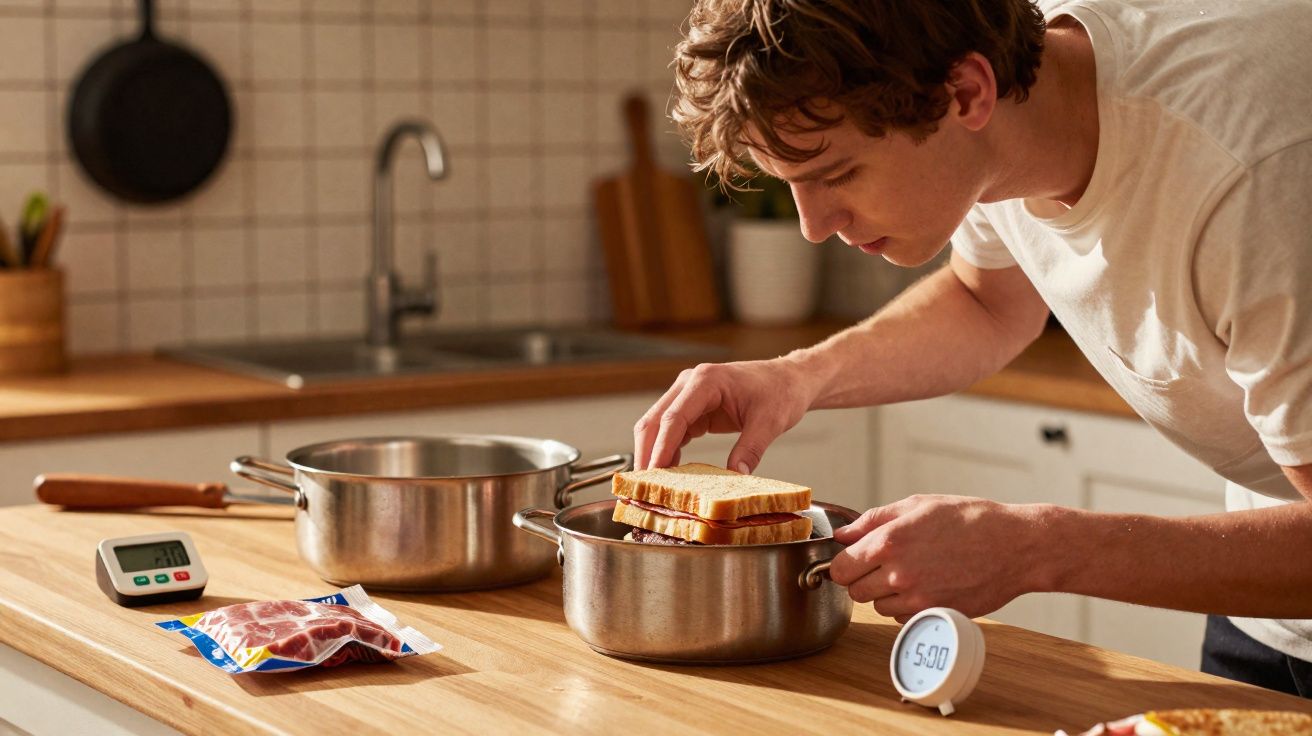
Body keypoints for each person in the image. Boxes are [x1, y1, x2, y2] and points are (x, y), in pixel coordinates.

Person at [632, 0, 1312, 696]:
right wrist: (796, 378)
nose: (813, 226)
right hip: (1265, 611)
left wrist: (1035, 548)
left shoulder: (1255, 181)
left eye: (837, 174)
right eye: (792, 183)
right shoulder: (1007, 105)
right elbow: (987, 302)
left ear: (965, 93)